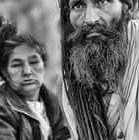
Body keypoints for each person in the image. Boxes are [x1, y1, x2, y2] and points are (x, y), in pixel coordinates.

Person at [60, 0, 139, 139]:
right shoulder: (68, 84)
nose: (90, 19)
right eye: (78, 5)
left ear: (128, 7)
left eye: (102, 1)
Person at [0, 24, 70, 140]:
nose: (27, 71)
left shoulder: (54, 101)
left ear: (44, 65)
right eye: (16, 65)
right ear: (5, 72)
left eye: (34, 62)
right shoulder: (2, 108)